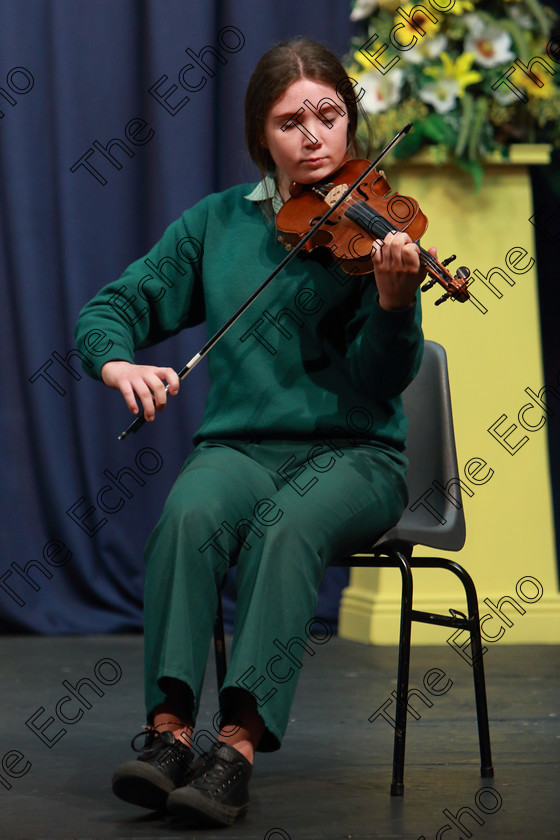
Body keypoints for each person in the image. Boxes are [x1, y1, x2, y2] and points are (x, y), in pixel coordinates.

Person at [75, 37, 435, 828]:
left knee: (284, 527)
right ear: (260, 136)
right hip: (238, 448)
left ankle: (234, 749)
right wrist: (117, 366)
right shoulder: (216, 224)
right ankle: (169, 734)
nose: (314, 138)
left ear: (350, 123)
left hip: (355, 453)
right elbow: (112, 308)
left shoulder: (378, 232)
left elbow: (381, 383)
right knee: (189, 515)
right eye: (290, 122)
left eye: (329, 116)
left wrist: (395, 302)